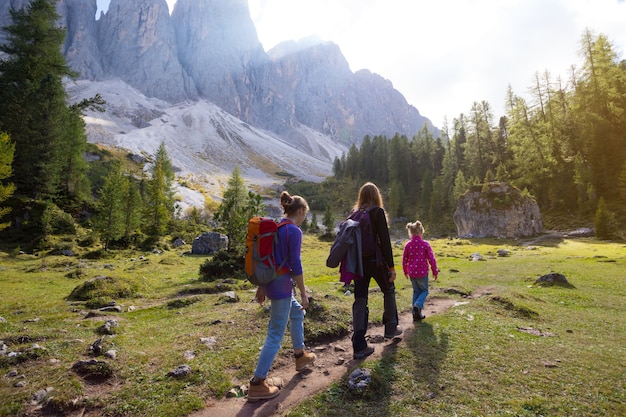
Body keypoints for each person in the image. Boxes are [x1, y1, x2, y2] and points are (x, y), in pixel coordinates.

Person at [247, 191, 316, 402]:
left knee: (296, 313)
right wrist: (304, 292)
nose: (305, 218)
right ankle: (257, 383)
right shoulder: (293, 231)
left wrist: (261, 287)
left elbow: (267, 259)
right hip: (281, 287)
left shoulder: (276, 226)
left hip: (271, 283)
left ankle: (300, 355)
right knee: (275, 334)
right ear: (301, 211)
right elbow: (295, 264)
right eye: (305, 214)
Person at [350, 182, 402, 360]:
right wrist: (392, 267)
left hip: (359, 265)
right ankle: (390, 327)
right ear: (376, 196)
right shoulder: (377, 212)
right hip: (377, 262)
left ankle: (359, 345)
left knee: (360, 300)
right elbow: (385, 242)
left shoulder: (354, 215)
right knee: (389, 290)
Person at [402, 220, 438, 321]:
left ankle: (415, 314)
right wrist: (435, 271)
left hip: (412, 272)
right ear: (421, 232)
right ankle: (418, 305)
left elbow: (405, 259)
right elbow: (431, 258)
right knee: (424, 291)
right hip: (422, 272)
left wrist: (405, 270)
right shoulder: (425, 244)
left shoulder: (408, 245)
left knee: (416, 291)